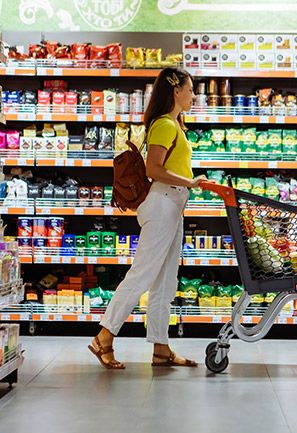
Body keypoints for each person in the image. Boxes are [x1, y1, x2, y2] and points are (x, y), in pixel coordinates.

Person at [88, 67, 208, 369]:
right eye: (190, 89)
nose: (193, 95)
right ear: (175, 91)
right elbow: (154, 170)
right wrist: (189, 182)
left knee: (166, 283)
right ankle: (104, 337)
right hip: (162, 205)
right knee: (141, 275)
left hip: (172, 206)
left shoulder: (173, 125)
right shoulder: (165, 126)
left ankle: (161, 347)